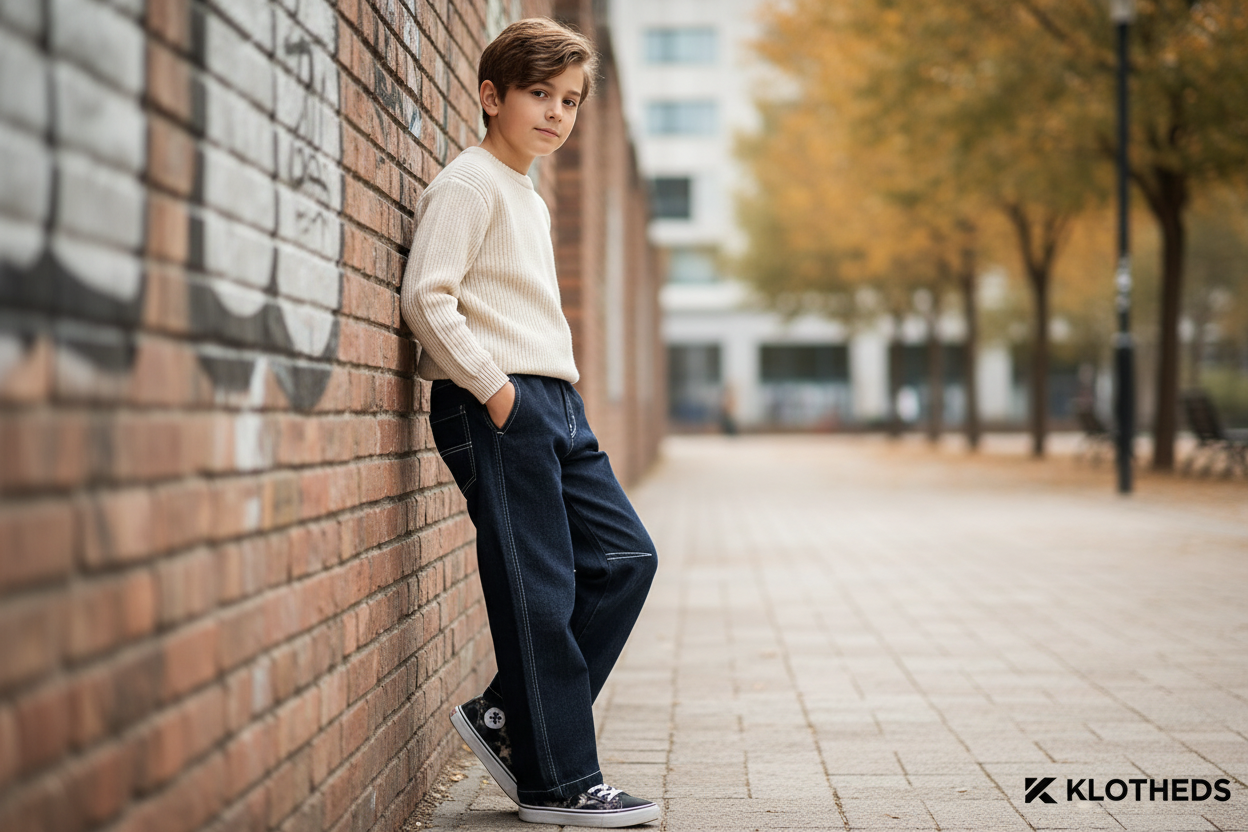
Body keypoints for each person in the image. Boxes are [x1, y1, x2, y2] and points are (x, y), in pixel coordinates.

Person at [399, 17, 660, 829]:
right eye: (539, 94)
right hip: (501, 404)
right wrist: (496, 391)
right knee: (539, 592)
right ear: (492, 96)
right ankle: (559, 784)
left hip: (557, 403)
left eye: (571, 100)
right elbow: (426, 298)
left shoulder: (528, 194)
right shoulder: (470, 183)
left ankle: (511, 717)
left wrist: (542, 397)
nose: (556, 112)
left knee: (625, 558)